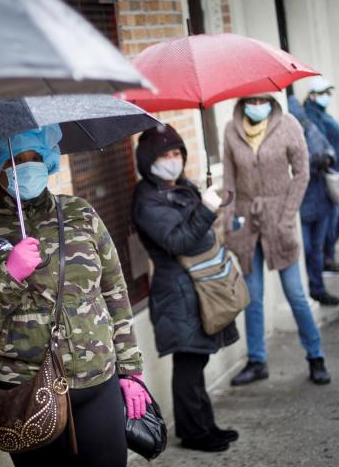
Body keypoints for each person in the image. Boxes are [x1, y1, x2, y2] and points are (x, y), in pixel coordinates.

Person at [0, 125, 146, 467]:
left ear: (49, 160)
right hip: (25, 391)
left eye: (35, 157)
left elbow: (114, 291)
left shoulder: (80, 213)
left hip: (96, 379)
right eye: (16, 160)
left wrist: (130, 370)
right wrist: (8, 277)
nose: (27, 166)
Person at [130, 124, 240, 453]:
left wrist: (208, 201)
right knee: (189, 363)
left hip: (197, 287)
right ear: (149, 160)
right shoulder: (147, 200)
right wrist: (205, 209)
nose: (173, 159)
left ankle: (205, 425)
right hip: (176, 292)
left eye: (177, 152)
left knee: (198, 360)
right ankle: (194, 433)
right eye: (165, 154)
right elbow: (178, 240)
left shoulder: (181, 186)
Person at [222, 93, 332, 386]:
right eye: (251, 101)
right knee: (253, 296)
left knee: (295, 293)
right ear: (243, 102)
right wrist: (227, 221)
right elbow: (229, 181)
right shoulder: (231, 130)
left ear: (271, 101)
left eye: (262, 100)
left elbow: (302, 172)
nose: (257, 106)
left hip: (279, 221)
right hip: (247, 222)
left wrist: (287, 215)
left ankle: (315, 355)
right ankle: (257, 361)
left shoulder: (288, 124)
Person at [288, 96, 339, 306]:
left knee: (317, 250)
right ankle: (307, 290)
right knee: (307, 249)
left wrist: (326, 158)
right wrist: (310, 164)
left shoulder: (310, 128)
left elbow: (329, 149)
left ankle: (318, 288)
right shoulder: (285, 135)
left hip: (321, 199)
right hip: (300, 203)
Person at [304, 77, 339, 275]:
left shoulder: (322, 113)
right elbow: (322, 144)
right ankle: (326, 258)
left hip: (335, 173)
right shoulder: (312, 116)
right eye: (323, 93)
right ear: (312, 95)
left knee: (337, 216)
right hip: (326, 176)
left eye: (329, 93)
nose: (327, 97)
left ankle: (328, 257)